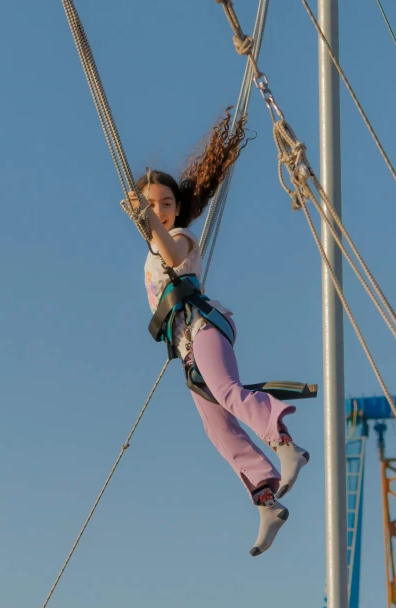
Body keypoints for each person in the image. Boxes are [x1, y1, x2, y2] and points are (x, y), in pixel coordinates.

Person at [126, 108, 309, 556]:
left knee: (227, 391)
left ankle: (285, 444)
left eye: (166, 204)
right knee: (217, 427)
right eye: (151, 205)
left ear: (177, 209)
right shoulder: (150, 250)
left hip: (206, 326)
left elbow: (171, 255)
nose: (160, 211)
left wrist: (151, 222)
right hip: (187, 348)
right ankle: (265, 498)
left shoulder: (184, 236)